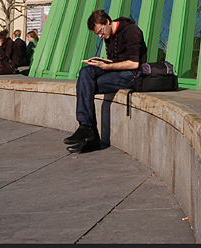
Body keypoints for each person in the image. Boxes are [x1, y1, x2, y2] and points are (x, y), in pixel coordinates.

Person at [63, 10, 147, 153]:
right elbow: (113, 61)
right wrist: (100, 62)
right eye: (98, 35)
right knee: (85, 72)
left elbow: (134, 64)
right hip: (115, 72)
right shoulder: (108, 36)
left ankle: (91, 134)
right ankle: (86, 127)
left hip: (131, 75)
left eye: (101, 31)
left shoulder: (131, 31)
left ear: (107, 22)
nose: (101, 36)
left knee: (86, 86)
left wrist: (107, 66)